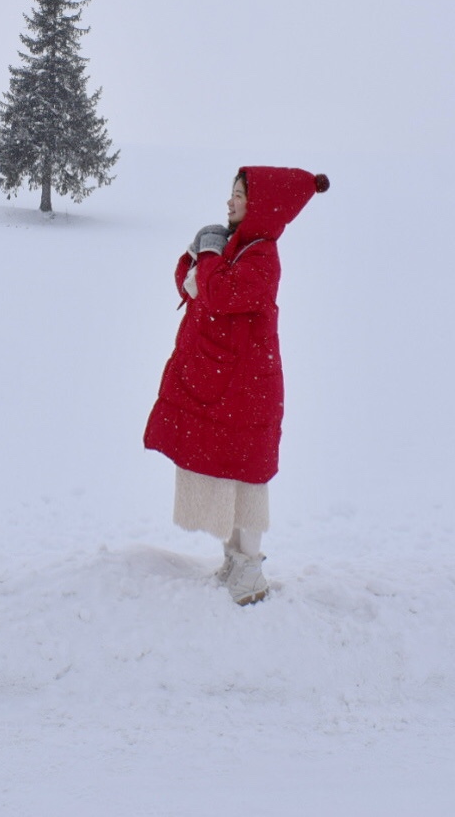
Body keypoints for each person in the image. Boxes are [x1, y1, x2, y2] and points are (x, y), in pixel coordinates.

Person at [143, 166, 329, 605]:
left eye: (240, 196)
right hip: (228, 382)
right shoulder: (237, 246)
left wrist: (206, 260)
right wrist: (200, 256)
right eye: (231, 194)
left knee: (248, 478)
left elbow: (219, 295)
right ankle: (234, 560)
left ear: (260, 206)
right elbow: (190, 286)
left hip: (246, 387)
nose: (230, 202)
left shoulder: (262, 256)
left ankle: (249, 573)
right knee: (233, 471)